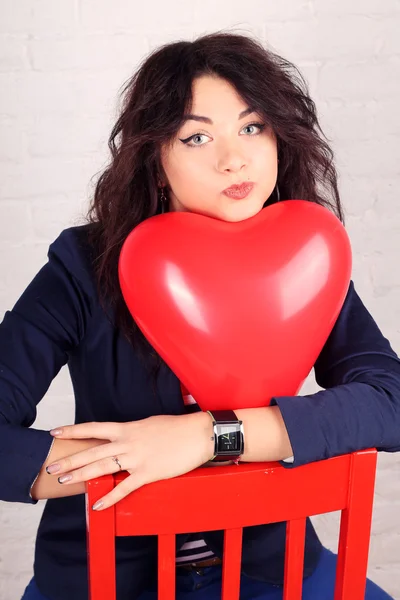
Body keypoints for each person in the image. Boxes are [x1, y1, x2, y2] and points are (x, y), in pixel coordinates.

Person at [0, 31, 398, 600]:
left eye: (252, 127)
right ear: (156, 163)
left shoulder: (305, 259)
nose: (233, 157)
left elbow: (391, 398)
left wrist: (208, 438)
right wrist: (130, 457)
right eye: (196, 137)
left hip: (271, 569)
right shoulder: (83, 266)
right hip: (107, 579)